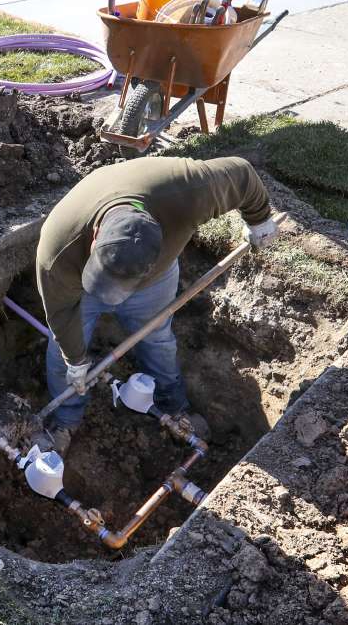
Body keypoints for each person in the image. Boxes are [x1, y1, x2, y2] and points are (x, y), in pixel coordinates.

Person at [35, 155, 277, 454]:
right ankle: (66, 419)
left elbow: (242, 174)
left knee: (158, 339)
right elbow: (60, 312)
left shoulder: (188, 194)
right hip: (80, 292)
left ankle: (173, 405)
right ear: (96, 238)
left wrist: (260, 219)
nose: (119, 296)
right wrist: (75, 359)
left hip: (155, 279)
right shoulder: (59, 248)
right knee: (63, 358)